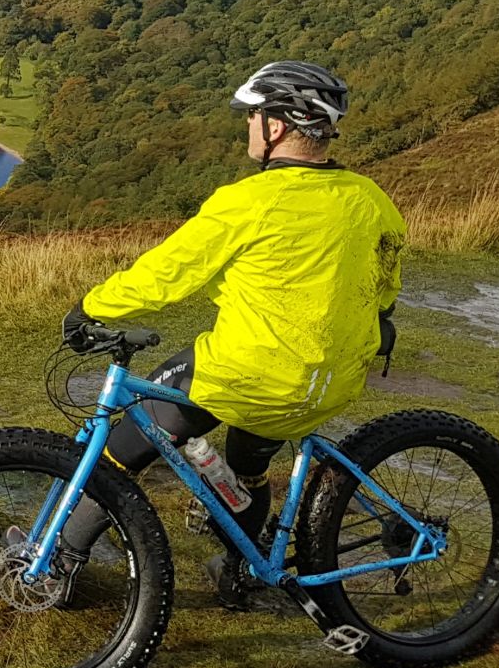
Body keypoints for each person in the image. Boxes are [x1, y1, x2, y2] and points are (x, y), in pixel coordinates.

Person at [55, 60, 407, 607]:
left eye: (254, 115)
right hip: (326, 383)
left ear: (279, 125)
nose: (247, 126)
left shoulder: (248, 201)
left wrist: (89, 307)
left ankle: (56, 565)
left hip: (244, 373)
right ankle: (240, 569)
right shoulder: (372, 199)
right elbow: (385, 289)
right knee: (247, 466)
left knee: (125, 445)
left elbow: (166, 273)